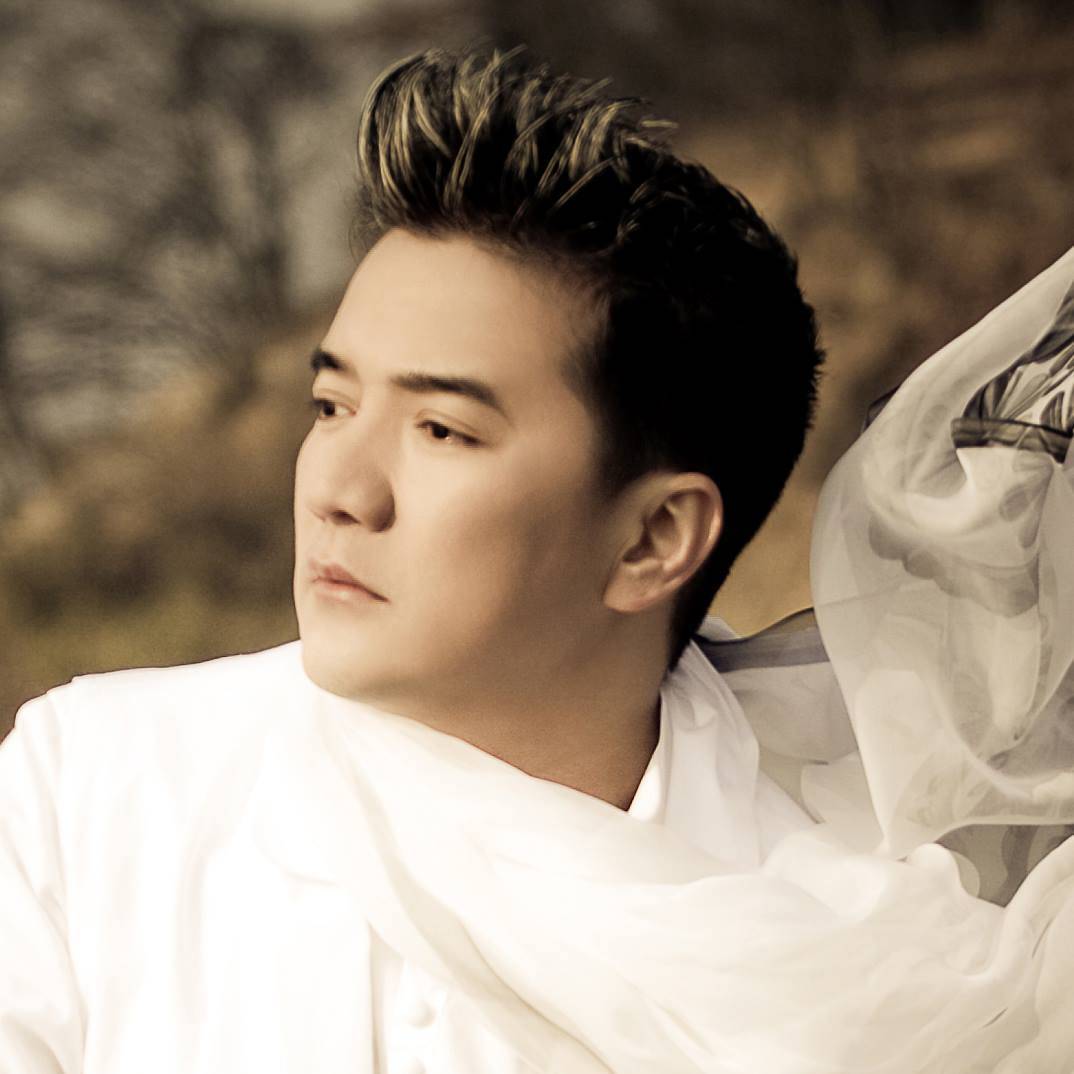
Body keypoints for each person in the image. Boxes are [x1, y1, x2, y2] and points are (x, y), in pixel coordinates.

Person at [2, 41, 1073, 1074]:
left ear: (653, 539)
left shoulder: (870, 939)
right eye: (331, 405)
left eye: (442, 430)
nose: (338, 489)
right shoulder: (92, 799)